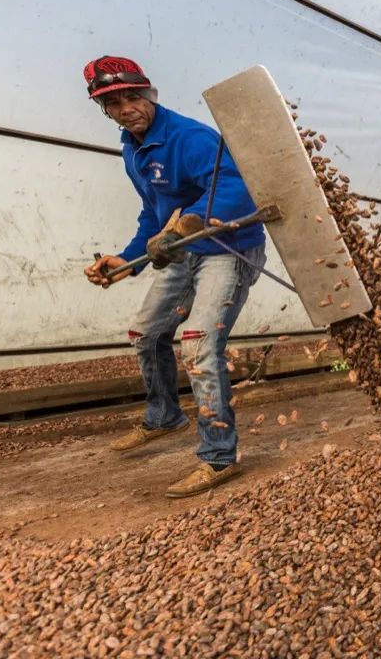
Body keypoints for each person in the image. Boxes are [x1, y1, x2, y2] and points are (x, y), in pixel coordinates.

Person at [81, 56, 266, 498]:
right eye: (113, 102)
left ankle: (219, 457)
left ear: (149, 94)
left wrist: (189, 224)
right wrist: (125, 260)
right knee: (145, 333)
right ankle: (164, 415)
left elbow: (239, 188)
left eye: (133, 96)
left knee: (199, 347)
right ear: (104, 109)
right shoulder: (133, 148)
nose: (127, 108)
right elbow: (155, 212)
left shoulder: (190, 138)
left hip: (228, 248)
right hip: (182, 254)